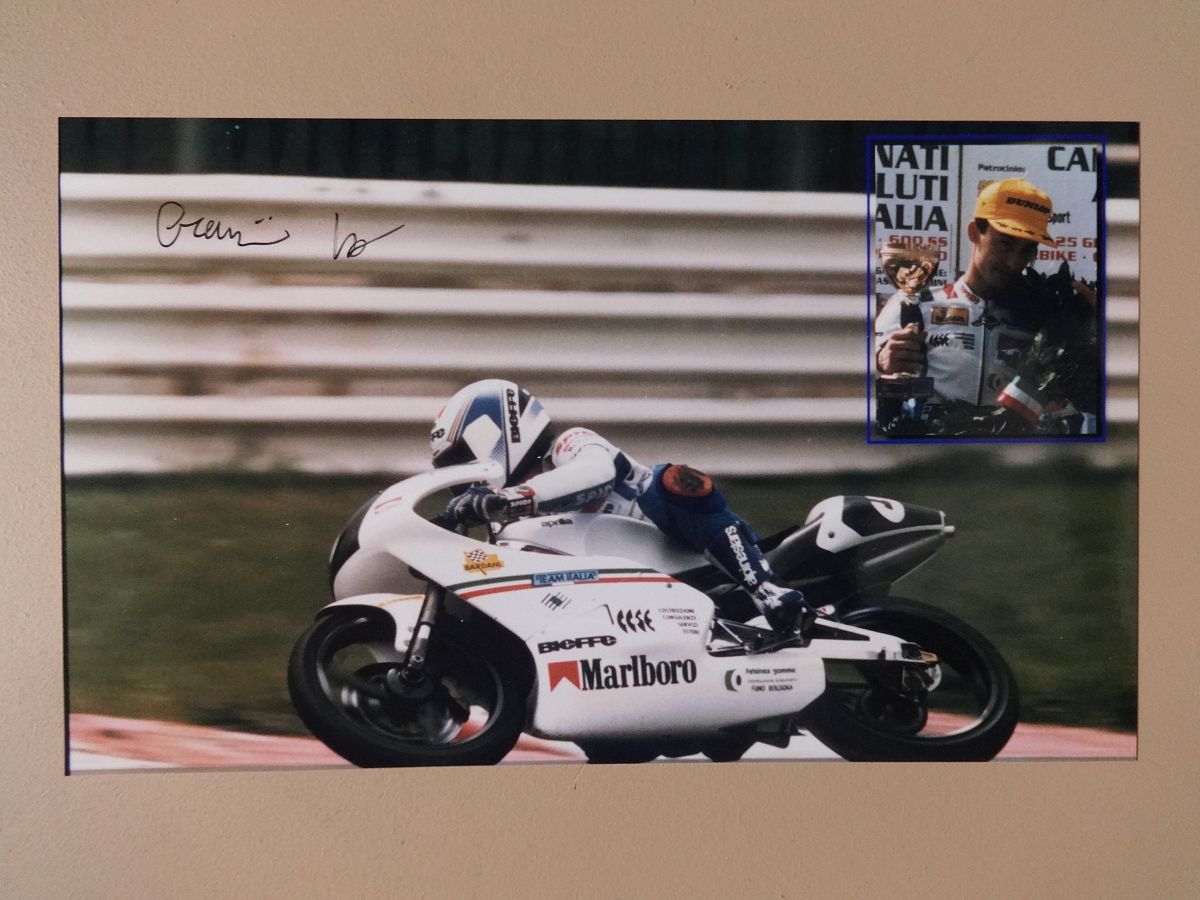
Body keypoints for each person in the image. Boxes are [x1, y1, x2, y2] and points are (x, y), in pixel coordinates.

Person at [431, 378, 813, 636]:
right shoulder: (510, 526)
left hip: (691, 558)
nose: (464, 476)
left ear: (499, 430)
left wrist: (511, 498)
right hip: (630, 602)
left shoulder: (570, 444)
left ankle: (767, 589)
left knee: (672, 481)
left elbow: (595, 473)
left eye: (463, 459)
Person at [874, 178, 1098, 435]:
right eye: (1005, 243)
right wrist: (881, 361)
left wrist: (1098, 333)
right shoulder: (915, 305)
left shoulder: (1050, 317)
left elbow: (1087, 398)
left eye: (1027, 249)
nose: (1014, 262)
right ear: (974, 232)